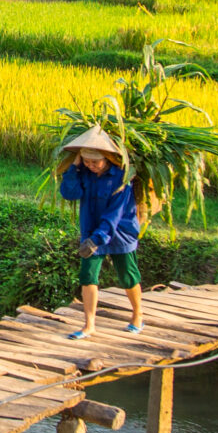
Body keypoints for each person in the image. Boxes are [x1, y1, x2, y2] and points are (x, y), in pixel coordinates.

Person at [57, 125, 142, 338]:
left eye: (95, 162)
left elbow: (113, 216)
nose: (91, 165)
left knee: (128, 275)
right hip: (92, 231)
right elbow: (70, 193)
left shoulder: (121, 179)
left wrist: (96, 240)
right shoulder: (83, 173)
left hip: (119, 232)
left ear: (107, 159)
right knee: (87, 275)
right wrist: (74, 168)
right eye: (86, 161)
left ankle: (138, 315)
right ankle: (89, 325)